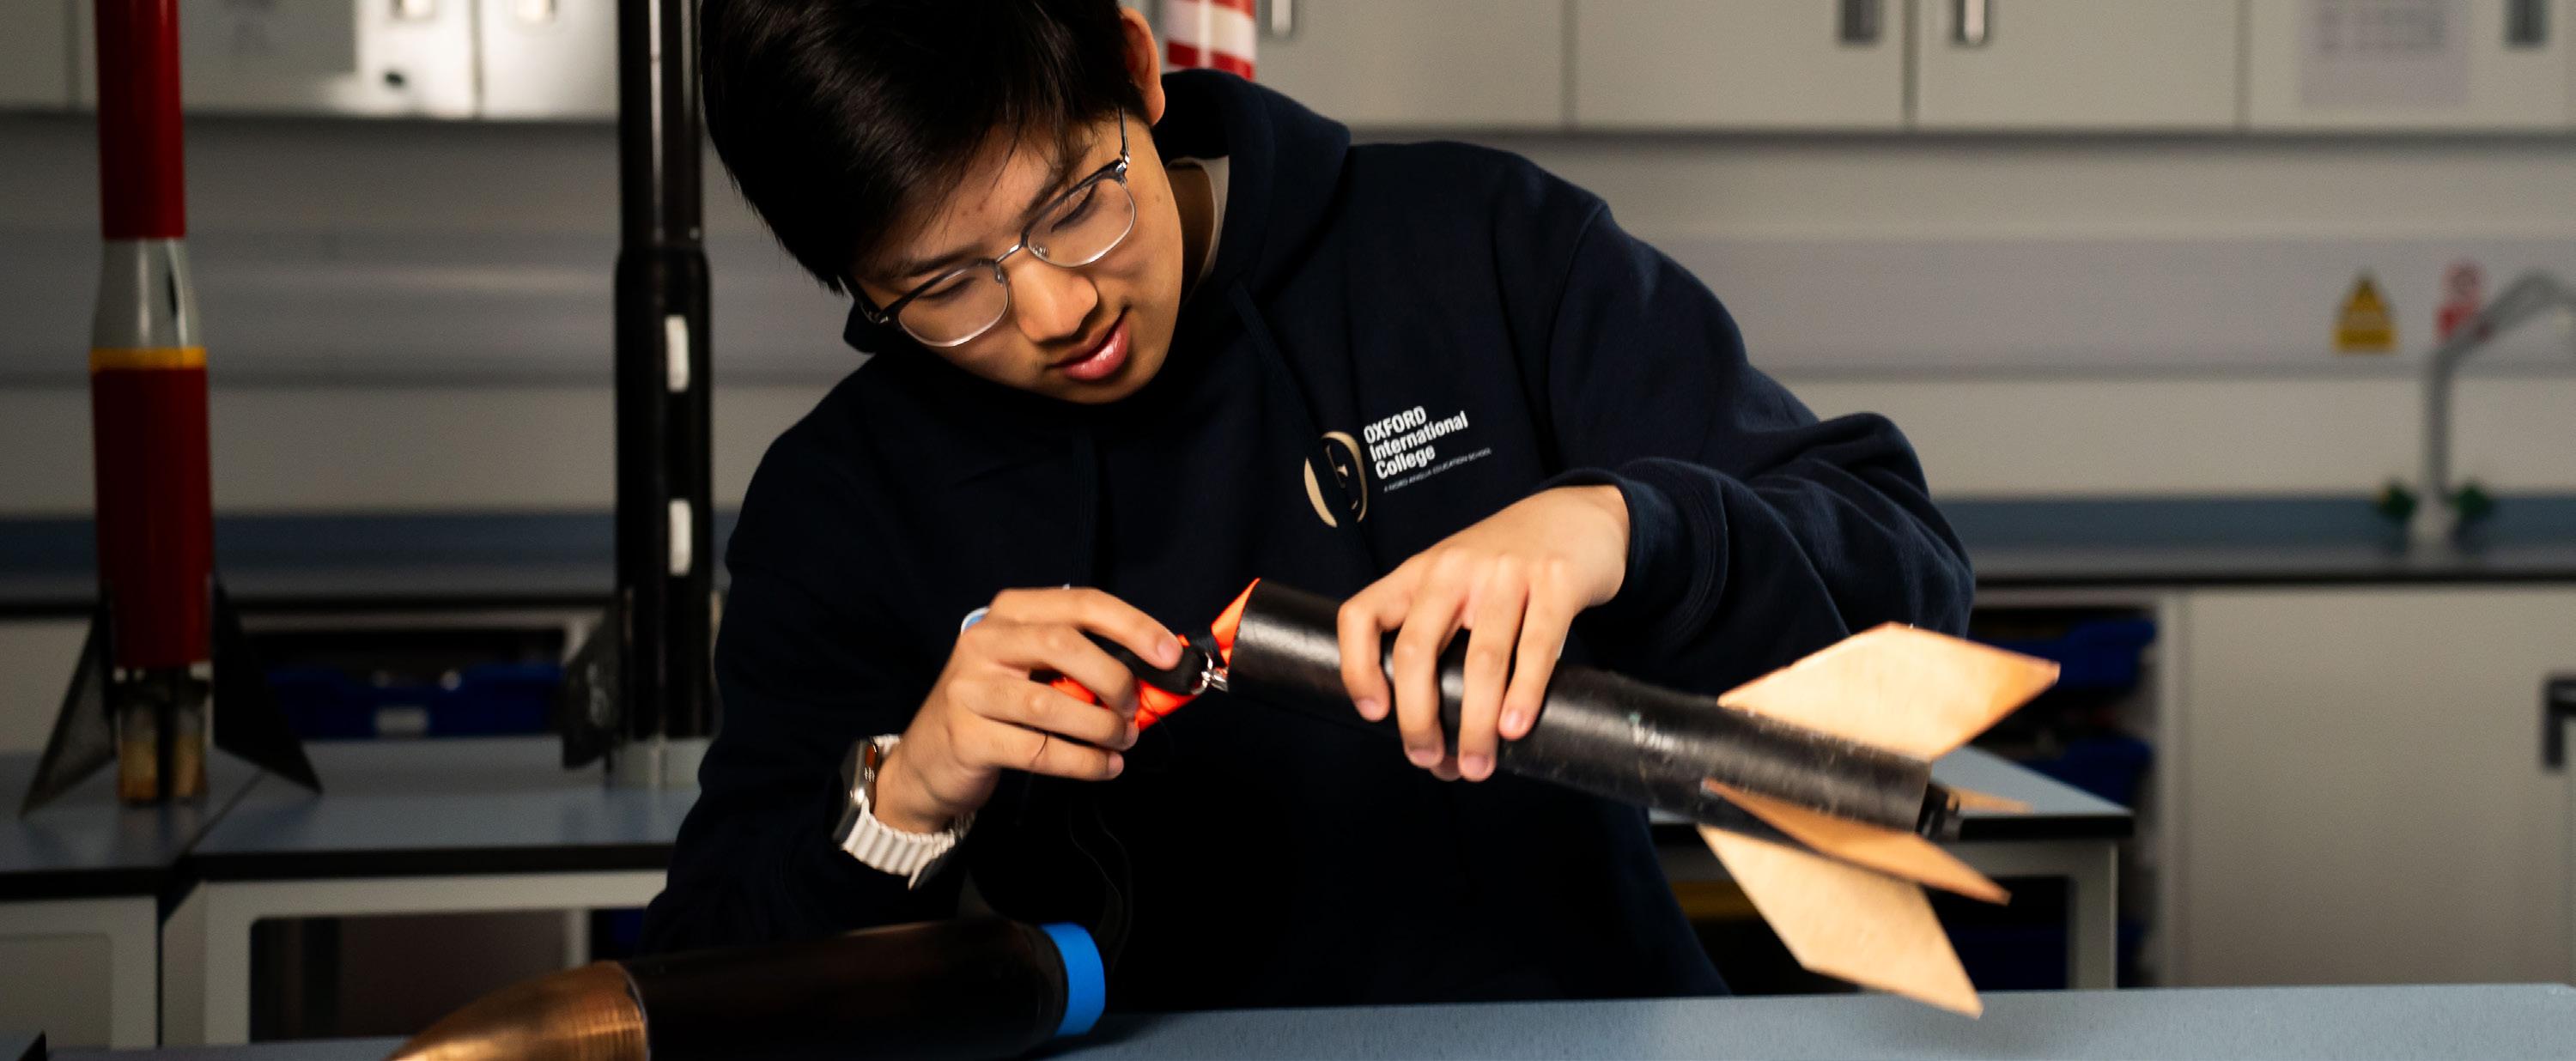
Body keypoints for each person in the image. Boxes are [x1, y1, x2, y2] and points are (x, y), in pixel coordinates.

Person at [641, 0, 1974, 1011]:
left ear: (1138, 69)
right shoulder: (842, 500)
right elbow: (708, 969)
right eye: (944, 287)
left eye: (1075, 204)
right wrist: (904, 799)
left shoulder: (1478, 246)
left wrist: (1625, 529)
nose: (1053, 309)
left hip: (1590, 1029)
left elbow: (1909, 583)